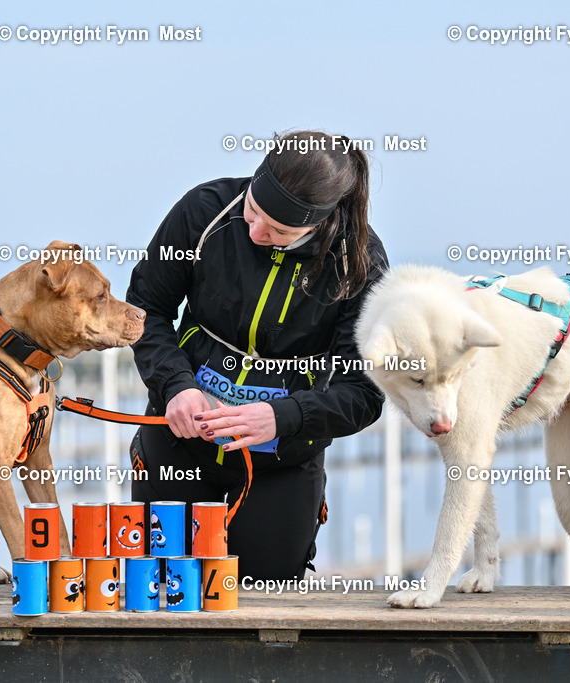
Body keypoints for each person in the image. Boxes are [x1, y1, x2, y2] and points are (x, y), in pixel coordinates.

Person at [125, 130, 389, 580]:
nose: (254, 231)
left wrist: (281, 416)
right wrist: (176, 386)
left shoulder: (359, 265)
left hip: (282, 461)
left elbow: (364, 394)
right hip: (180, 442)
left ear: (321, 222)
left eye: (279, 230)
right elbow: (145, 309)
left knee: (266, 608)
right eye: (252, 210)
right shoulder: (205, 210)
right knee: (158, 589)